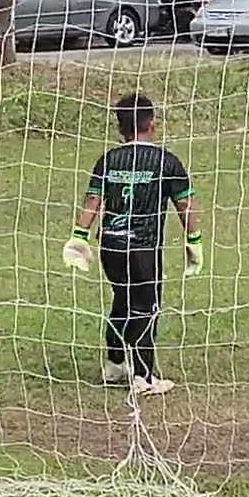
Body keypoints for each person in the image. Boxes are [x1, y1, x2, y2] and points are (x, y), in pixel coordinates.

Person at [60, 93, 202, 396]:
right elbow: (184, 204)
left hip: (110, 245)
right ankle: (144, 377)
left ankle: (115, 365)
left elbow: (93, 199)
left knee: (122, 301)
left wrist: (79, 235)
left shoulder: (109, 159)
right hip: (142, 247)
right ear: (152, 123)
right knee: (146, 307)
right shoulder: (165, 161)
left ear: (120, 126)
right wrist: (194, 241)